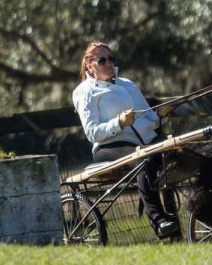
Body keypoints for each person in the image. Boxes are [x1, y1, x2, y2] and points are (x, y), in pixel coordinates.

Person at [72, 41, 179, 239]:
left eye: (111, 59)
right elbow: (92, 133)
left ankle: (180, 224)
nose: (109, 63)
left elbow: (148, 119)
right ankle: (158, 221)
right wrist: (118, 123)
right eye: (102, 60)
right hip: (109, 146)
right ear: (89, 65)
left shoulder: (128, 84)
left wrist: (160, 115)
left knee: (175, 151)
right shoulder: (85, 91)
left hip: (144, 142)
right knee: (143, 159)